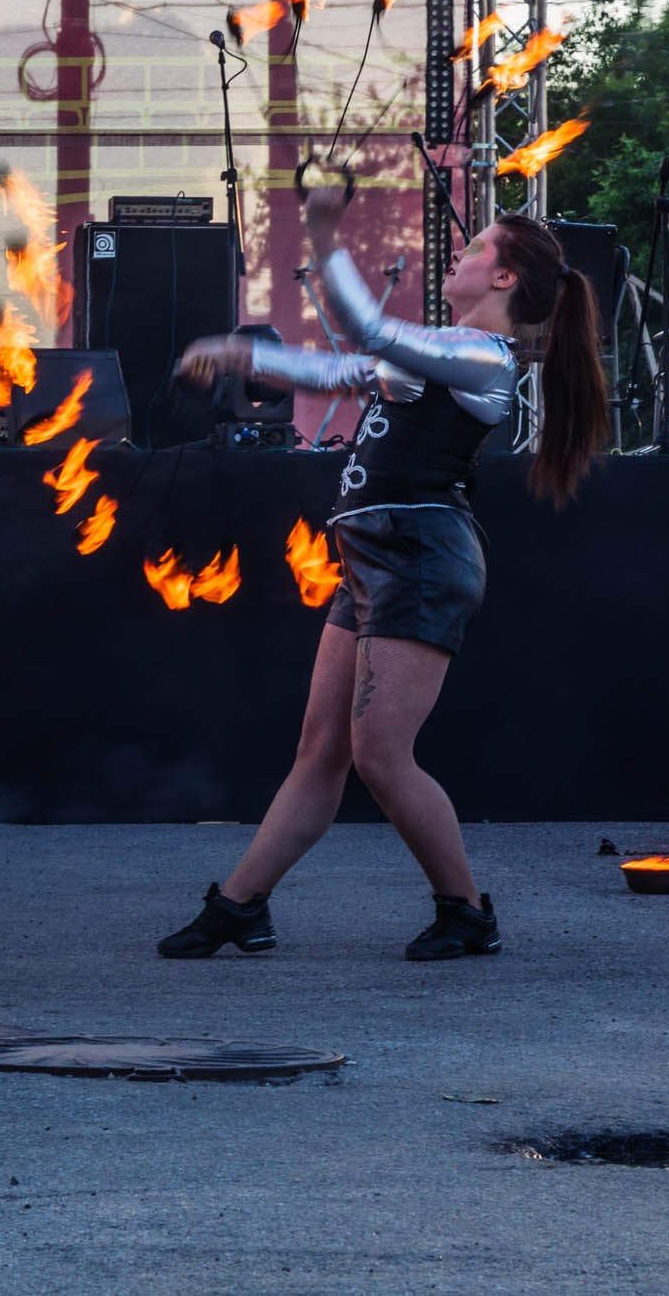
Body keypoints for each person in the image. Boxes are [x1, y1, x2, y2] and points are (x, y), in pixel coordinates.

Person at [155, 183, 607, 962]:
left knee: (380, 755)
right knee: (321, 747)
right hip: (371, 558)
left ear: (504, 279)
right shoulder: (442, 348)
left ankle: (466, 912)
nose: (459, 257)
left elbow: (364, 327)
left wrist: (325, 232)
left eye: (474, 249)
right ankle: (240, 906)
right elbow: (342, 371)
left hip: (420, 560)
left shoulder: (479, 356)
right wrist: (241, 354)